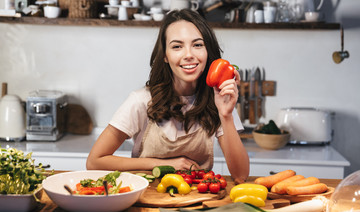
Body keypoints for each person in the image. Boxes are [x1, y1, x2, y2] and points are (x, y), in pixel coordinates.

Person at [86, 9, 249, 184]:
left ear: (207, 51)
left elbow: (240, 176)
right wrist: (165, 164)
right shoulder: (140, 101)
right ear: (165, 55)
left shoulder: (219, 100)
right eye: (177, 46)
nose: (189, 55)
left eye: (197, 45)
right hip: (145, 200)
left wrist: (225, 115)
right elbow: (95, 161)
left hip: (199, 201)